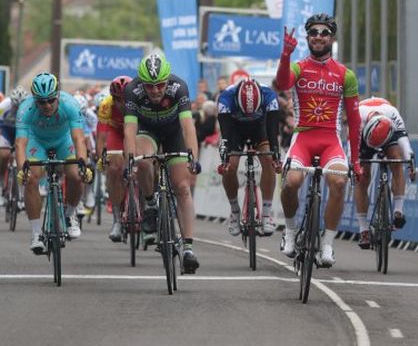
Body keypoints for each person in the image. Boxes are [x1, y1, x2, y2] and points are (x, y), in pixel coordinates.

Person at [275, 13, 362, 267]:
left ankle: (327, 244)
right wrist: (285, 55)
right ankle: (290, 232)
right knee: (291, 182)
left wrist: (355, 161)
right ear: (308, 37)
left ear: (332, 38)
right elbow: (282, 83)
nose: (318, 37)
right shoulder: (298, 67)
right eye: (313, 32)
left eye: (324, 33)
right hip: (303, 138)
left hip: (330, 140)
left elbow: (355, 122)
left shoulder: (345, 75)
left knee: (338, 182)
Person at [123, 54, 202, 274]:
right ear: (142, 83)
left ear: (167, 81)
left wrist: (193, 158)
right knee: (144, 161)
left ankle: (187, 247)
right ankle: (150, 203)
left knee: (183, 187)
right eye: (150, 86)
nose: (155, 90)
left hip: (173, 133)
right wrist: (130, 160)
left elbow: (188, 126)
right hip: (146, 132)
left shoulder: (179, 87)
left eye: (160, 85)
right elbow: (129, 130)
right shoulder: (132, 90)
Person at [15, 73, 93, 253]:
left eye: (50, 100)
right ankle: (36, 233)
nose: (47, 105)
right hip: (37, 142)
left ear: (57, 95)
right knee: (31, 178)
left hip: (63, 140)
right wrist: (22, 170)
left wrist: (83, 164)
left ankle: (69, 214)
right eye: (41, 102)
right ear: (34, 100)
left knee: (75, 174)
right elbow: (20, 144)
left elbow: (78, 138)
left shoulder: (70, 104)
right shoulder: (25, 109)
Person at [217, 77, 281, 236]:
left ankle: (266, 214)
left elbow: (273, 132)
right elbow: (225, 135)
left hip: (260, 128)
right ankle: (235, 211)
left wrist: (275, 155)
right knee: (230, 166)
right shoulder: (225, 98)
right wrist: (225, 157)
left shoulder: (269, 95)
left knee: (268, 160)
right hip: (235, 129)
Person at [354, 97, 413, 249]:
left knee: (397, 160)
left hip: (387, 130)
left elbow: (404, 142)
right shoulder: (357, 117)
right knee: (362, 176)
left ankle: (398, 211)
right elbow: (351, 147)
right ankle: (363, 229)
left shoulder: (393, 114)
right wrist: (353, 165)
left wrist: (411, 163)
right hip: (364, 136)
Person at [96, 75, 132, 241]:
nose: (122, 104)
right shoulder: (106, 105)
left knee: (144, 163)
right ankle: (117, 219)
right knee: (113, 168)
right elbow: (102, 138)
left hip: (134, 132)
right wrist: (102, 158)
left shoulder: (140, 102)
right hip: (116, 134)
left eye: (126, 99)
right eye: (118, 99)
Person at [0, 86, 29, 206]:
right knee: (4, 154)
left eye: (20, 106)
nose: (17, 109)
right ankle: (1, 183)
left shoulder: (29, 108)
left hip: (20, 133)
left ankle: (21, 195)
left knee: (21, 161)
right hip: (6, 131)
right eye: (15, 106)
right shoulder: (3, 106)